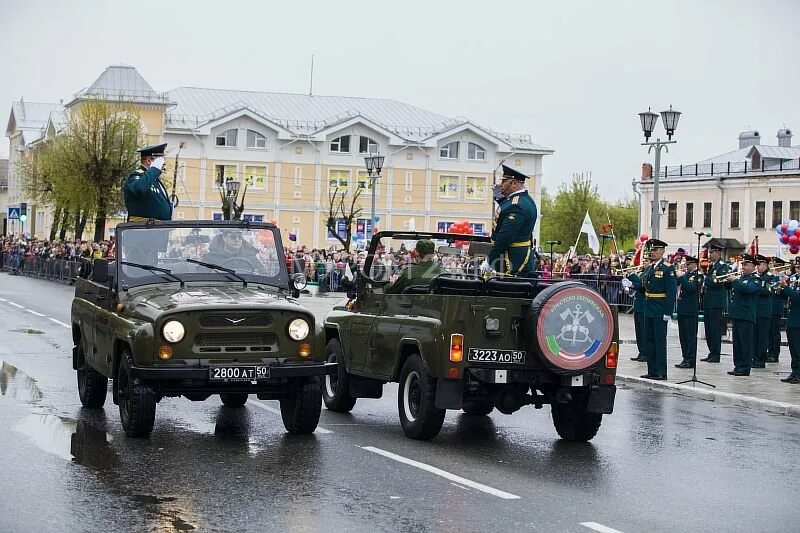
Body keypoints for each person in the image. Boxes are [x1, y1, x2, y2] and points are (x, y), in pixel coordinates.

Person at [487, 165, 538, 277]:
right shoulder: (523, 200)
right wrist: (500, 199)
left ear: (514, 184)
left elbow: (505, 237)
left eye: (504, 181)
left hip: (512, 260)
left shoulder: (516, 205)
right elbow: (507, 211)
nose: (500, 185)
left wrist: (489, 261)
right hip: (515, 257)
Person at [638, 239, 676, 380]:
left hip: (660, 308)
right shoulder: (650, 268)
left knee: (659, 341)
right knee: (649, 340)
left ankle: (661, 371)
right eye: (651, 250)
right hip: (648, 307)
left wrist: (668, 312)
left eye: (655, 250)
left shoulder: (667, 268)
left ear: (662, 252)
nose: (652, 252)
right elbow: (644, 287)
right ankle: (652, 370)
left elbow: (671, 291)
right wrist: (631, 284)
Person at [724, 254, 760, 376]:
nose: (743, 267)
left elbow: (747, 290)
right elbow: (730, 288)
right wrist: (728, 281)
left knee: (746, 343)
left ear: (753, 266)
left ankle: (745, 367)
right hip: (737, 314)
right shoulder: (741, 278)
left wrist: (735, 280)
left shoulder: (755, 279)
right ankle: (738, 365)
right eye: (743, 265)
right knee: (737, 343)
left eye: (746, 265)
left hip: (746, 315)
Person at [123, 143, 173, 222]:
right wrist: (154, 169)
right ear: (149, 161)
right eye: (160, 161)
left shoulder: (153, 179)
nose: (163, 164)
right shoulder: (137, 176)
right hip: (143, 227)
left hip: (157, 227)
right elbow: (139, 188)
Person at [700, 244, 730, 363]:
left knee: (715, 329)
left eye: (712, 252)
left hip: (716, 303)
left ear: (718, 253)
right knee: (708, 329)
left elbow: (717, 282)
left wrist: (704, 277)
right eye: (710, 252)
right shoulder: (712, 266)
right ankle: (711, 352)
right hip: (708, 301)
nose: (710, 254)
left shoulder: (723, 267)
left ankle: (716, 354)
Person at [675, 256, 702, 368]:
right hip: (682, 308)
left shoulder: (698, 275)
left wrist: (681, 277)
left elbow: (691, 288)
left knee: (690, 336)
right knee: (683, 336)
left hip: (691, 309)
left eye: (689, 264)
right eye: (686, 264)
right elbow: (677, 283)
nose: (687, 266)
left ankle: (691, 359)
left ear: (694, 264)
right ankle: (685, 357)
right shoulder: (687, 275)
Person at [752, 255, 775, 369]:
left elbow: (769, 291)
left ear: (766, 265)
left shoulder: (770, 277)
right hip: (754, 310)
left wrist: (756, 286)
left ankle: (761, 359)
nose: (758, 267)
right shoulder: (755, 277)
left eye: (760, 264)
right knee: (754, 336)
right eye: (757, 265)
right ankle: (754, 357)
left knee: (762, 337)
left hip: (764, 311)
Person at [776, 276, 800, 383]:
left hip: (798, 321)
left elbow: (796, 297)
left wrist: (786, 287)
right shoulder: (796, 282)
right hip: (792, 320)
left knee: (798, 350)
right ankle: (794, 372)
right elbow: (789, 297)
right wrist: (780, 290)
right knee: (793, 350)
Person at [768, 257, 787, 363]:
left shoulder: (783, 277)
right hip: (769, 307)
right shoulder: (771, 276)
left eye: (775, 265)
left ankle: (775, 354)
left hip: (776, 307)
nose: (773, 266)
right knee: (768, 332)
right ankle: (769, 352)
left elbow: (784, 294)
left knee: (775, 332)